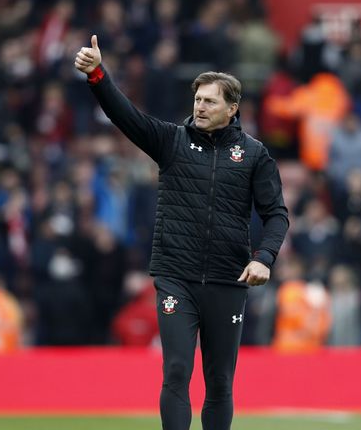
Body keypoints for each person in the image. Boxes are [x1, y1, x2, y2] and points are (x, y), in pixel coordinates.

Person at [75, 35, 289, 430]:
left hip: (228, 280)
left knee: (220, 382)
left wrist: (263, 257)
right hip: (177, 277)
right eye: (197, 99)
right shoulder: (172, 141)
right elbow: (127, 117)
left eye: (210, 101)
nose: (200, 107)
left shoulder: (255, 155)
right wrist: (98, 76)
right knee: (175, 370)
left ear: (232, 108)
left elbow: (277, 215)